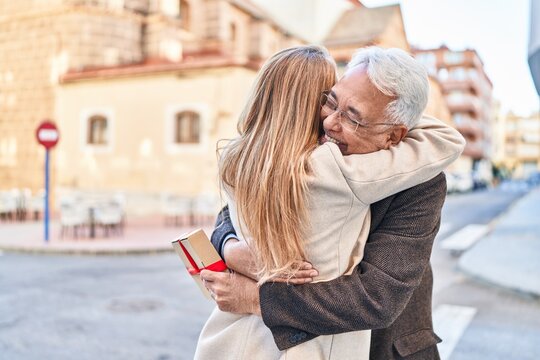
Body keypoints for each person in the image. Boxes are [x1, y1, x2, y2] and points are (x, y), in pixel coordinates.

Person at [196, 46, 465, 360]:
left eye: (353, 117)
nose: (330, 123)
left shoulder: (421, 179)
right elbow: (232, 211)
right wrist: (231, 247)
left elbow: (377, 297)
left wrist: (257, 298)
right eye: (331, 102)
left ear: (393, 136)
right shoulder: (314, 147)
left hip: (385, 348)